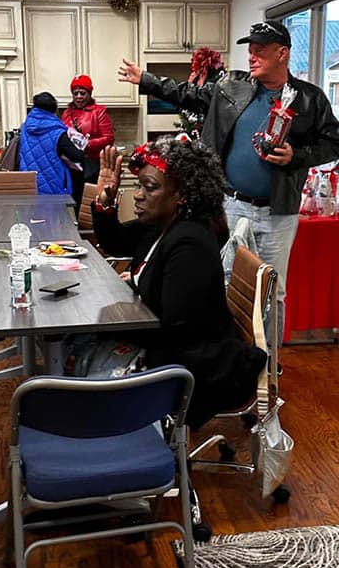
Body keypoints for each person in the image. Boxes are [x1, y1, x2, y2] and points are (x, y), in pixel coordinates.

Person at [118, 20, 339, 346]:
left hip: (279, 212)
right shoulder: (231, 86)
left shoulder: (309, 99)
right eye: (250, 49)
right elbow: (188, 94)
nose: (251, 55)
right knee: (222, 280)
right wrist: (147, 81)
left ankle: (268, 363)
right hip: (231, 204)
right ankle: (229, 353)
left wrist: (298, 156)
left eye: (260, 50)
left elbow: (333, 142)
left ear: (283, 53)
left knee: (273, 290)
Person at [92, 137, 267, 430]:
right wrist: (105, 202)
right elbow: (116, 241)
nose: (137, 195)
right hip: (173, 344)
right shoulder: (162, 225)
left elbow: (176, 330)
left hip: (195, 362)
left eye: (150, 187)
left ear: (182, 195)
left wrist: (105, 323)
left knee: (84, 357)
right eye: (139, 186)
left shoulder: (189, 242)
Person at [19, 91, 85, 198]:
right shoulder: (57, 132)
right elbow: (77, 156)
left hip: (29, 187)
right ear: (54, 110)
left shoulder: (25, 128)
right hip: (53, 189)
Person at [61, 74, 115, 204]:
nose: (79, 97)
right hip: (71, 166)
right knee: (74, 202)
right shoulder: (66, 113)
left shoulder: (99, 112)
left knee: (92, 202)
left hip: (92, 165)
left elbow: (108, 138)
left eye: (82, 93)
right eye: (75, 93)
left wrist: (86, 144)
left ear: (89, 93)